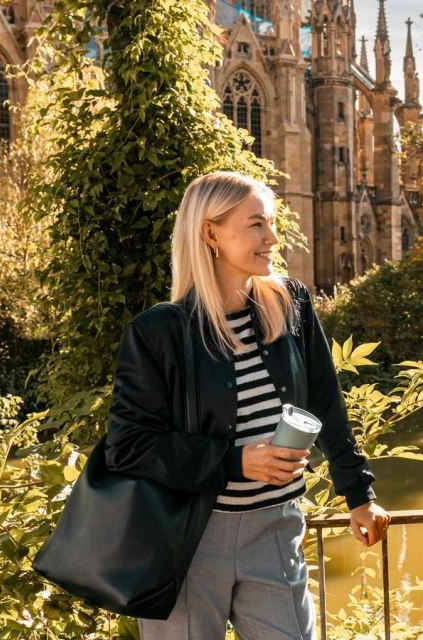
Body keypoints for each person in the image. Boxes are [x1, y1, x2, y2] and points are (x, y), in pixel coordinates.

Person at [104, 171, 390, 639]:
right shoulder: (159, 333)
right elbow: (129, 447)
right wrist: (237, 462)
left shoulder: (291, 302)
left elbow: (325, 401)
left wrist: (358, 494)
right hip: (187, 541)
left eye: (271, 223)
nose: (273, 238)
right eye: (257, 224)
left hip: (275, 531)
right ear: (210, 232)